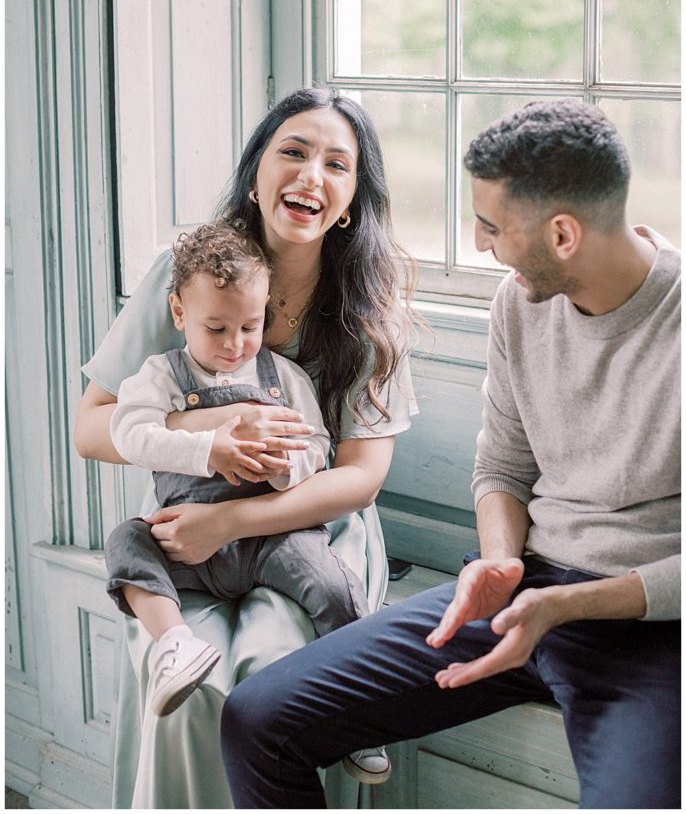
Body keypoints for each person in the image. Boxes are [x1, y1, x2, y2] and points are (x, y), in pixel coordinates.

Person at [220, 99, 680, 811]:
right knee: (258, 720)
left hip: (651, 635)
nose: (478, 240)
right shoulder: (519, 303)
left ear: (562, 234)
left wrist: (569, 604)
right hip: (523, 589)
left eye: (493, 227)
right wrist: (500, 563)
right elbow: (502, 464)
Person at [74, 87, 417, 807]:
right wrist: (210, 436)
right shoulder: (189, 273)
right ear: (256, 172)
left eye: (336, 164)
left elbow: (360, 477)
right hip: (181, 523)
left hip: (312, 530)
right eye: (291, 152)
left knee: (267, 683)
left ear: (352, 198)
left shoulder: (366, 305)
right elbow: (92, 425)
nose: (310, 175)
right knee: (190, 694)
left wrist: (228, 523)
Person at [105, 222, 374, 728]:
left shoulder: (283, 379)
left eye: (250, 327)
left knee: (331, 581)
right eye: (217, 329)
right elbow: (128, 433)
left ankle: (361, 708)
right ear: (180, 313)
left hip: (269, 537)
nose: (235, 345)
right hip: (185, 541)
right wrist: (208, 450)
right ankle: (175, 646)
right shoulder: (161, 376)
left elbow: (318, 445)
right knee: (126, 544)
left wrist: (285, 468)